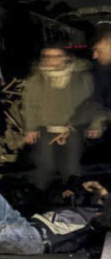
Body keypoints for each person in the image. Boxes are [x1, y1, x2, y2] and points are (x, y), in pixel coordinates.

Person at [20, 43, 100, 190]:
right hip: (46, 129)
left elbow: (93, 102)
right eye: (47, 57)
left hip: (73, 129)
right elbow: (30, 104)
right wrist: (31, 127)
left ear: (66, 58)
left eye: (57, 56)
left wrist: (95, 124)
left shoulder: (81, 77)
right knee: (44, 167)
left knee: (71, 166)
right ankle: (42, 201)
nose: (51, 60)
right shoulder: (37, 79)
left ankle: (73, 198)